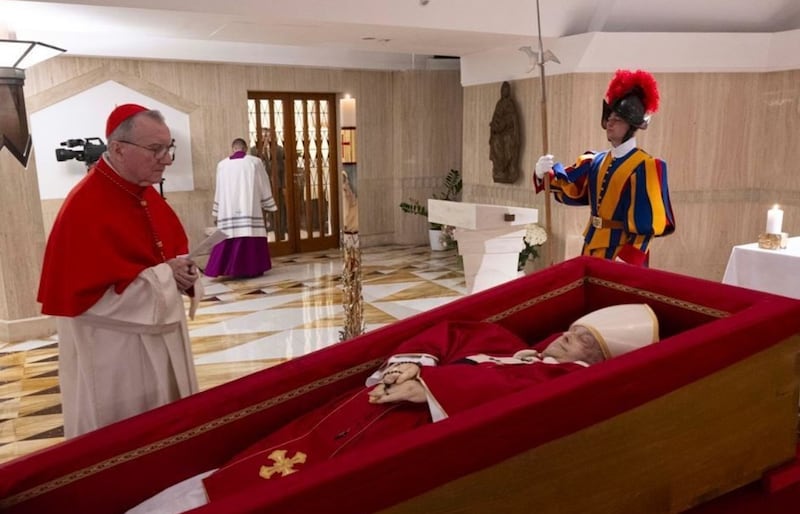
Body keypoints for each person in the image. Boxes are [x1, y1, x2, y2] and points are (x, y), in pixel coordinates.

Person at [128, 304, 658, 513]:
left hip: (410, 429)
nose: (567, 337)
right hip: (369, 404)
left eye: (584, 340)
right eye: (573, 328)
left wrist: (433, 387)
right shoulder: (513, 345)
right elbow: (452, 333)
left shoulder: (568, 380)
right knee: (274, 451)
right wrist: (411, 364)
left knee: (303, 486)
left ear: (600, 359)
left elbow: (521, 399)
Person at [37, 103, 200, 438]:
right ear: (118, 148)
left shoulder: (144, 192)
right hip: (116, 348)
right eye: (155, 149)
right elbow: (89, 301)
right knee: (129, 434)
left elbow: (169, 254)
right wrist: (165, 276)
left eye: (168, 148)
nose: (167, 159)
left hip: (161, 334)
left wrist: (184, 273)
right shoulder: (84, 205)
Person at [534, 69, 676, 266]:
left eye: (617, 119)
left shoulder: (645, 166)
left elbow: (648, 224)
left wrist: (628, 259)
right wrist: (543, 174)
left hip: (620, 254)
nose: (610, 123)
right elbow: (572, 190)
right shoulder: (595, 161)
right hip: (590, 246)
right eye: (609, 118)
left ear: (631, 126)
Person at [205, 138, 278, 278]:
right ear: (246, 148)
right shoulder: (254, 162)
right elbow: (263, 182)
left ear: (233, 149)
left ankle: (226, 269)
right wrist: (267, 202)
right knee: (249, 232)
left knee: (228, 234)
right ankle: (251, 268)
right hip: (248, 205)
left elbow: (219, 188)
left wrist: (217, 209)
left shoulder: (222, 165)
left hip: (228, 208)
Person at [251, 128, 287, 239]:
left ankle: (280, 234)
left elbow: (284, 168)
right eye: (263, 135)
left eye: (268, 135)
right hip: (260, 186)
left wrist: (284, 185)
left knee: (278, 210)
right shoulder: (253, 151)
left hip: (276, 184)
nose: (266, 138)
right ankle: (262, 235)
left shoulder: (279, 150)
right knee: (261, 211)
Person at [489, 81, 521, 184]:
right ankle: (499, 168)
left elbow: (513, 119)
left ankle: (505, 167)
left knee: (507, 141)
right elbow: (495, 117)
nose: (504, 92)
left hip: (509, 132)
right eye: (503, 90)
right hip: (499, 131)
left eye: (506, 90)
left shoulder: (510, 104)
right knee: (495, 141)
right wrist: (495, 124)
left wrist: (505, 122)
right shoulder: (499, 103)